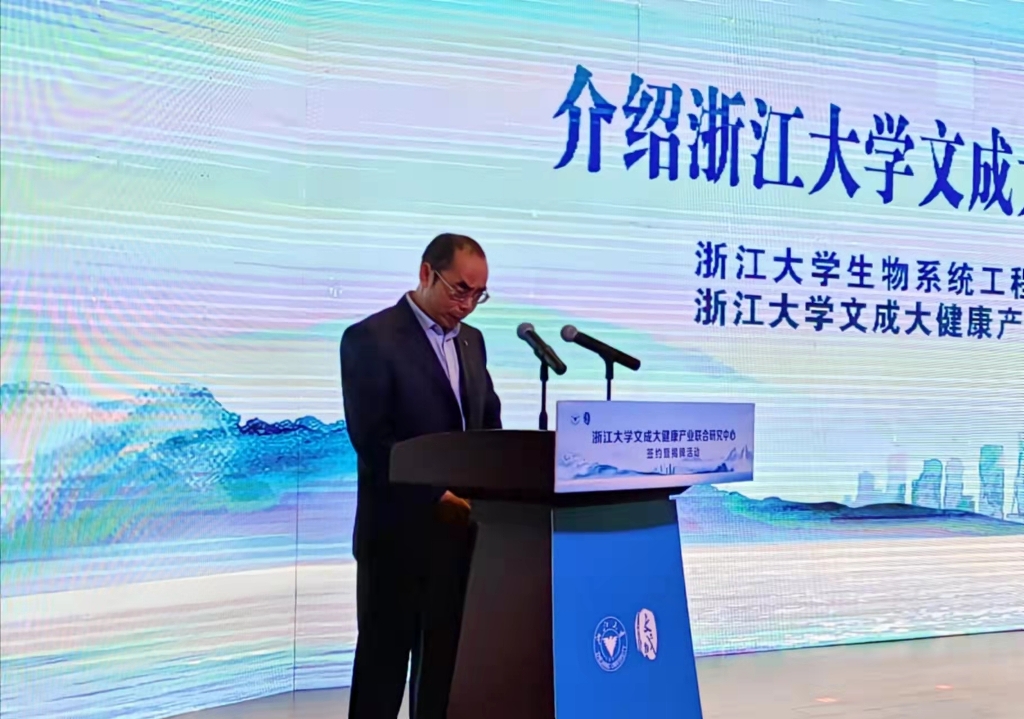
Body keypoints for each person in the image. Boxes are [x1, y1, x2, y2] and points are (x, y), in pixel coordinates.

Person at [340, 233, 502, 719]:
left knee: (442, 680)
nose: (467, 305)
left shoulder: (473, 342)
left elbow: (487, 427)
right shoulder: (370, 338)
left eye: (478, 295)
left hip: (460, 541)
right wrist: (436, 497)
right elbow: (373, 441)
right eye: (460, 290)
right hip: (396, 540)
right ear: (426, 273)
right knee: (381, 677)